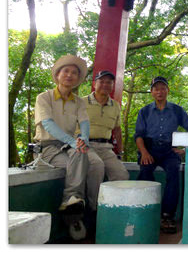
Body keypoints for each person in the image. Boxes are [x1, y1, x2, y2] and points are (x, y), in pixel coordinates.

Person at [34, 54, 100, 240]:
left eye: (74, 73)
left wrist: (83, 139)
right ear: (57, 75)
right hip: (48, 147)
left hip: (70, 146)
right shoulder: (44, 97)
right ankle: (73, 213)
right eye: (66, 71)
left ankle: (85, 207)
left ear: (78, 80)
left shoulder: (78, 101)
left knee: (95, 163)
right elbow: (47, 124)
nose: (70, 75)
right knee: (79, 161)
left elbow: (84, 123)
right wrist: (74, 142)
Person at [134, 76, 188, 234]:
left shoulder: (177, 110)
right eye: (156, 89)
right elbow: (139, 135)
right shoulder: (145, 111)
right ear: (152, 92)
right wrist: (144, 152)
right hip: (149, 148)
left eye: (163, 88)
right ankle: (146, 211)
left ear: (168, 90)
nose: (160, 91)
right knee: (145, 171)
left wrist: (185, 149)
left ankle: (167, 216)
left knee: (174, 172)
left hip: (170, 150)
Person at [81, 70, 129, 207]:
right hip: (85, 145)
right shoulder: (82, 102)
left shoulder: (115, 106)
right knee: (97, 166)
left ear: (113, 85)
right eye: (101, 81)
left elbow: (117, 130)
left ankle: (114, 207)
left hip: (106, 147)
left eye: (109, 82)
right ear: (94, 83)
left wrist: (119, 151)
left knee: (121, 175)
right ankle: (94, 209)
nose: (105, 85)